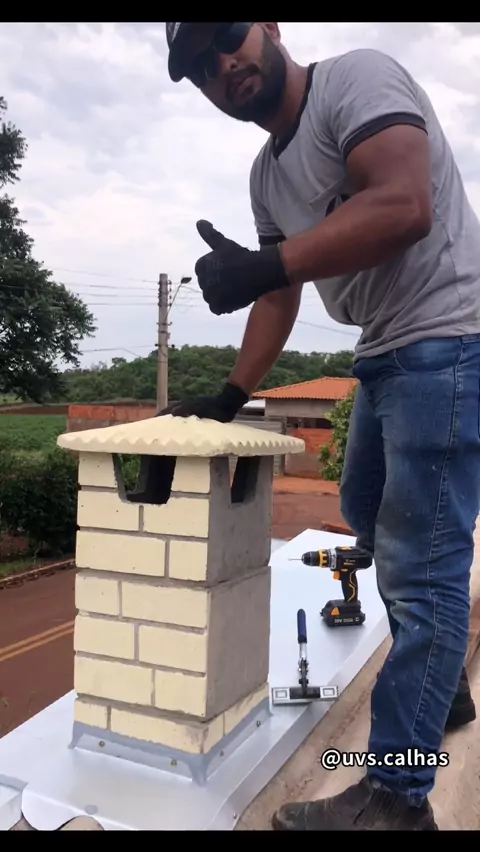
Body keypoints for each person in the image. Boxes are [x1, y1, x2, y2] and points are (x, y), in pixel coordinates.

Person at [161, 22, 480, 830]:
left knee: (423, 566)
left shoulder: (356, 81)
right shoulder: (267, 175)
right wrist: (231, 393)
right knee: (366, 511)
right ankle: (441, 687)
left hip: (448, 336)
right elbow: (279, 295)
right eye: (199, 65)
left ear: (269, 27)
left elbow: (404, 205)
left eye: (226, 35)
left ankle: (397, 802)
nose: (221, 63)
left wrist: (266, 263)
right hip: (385, 347)